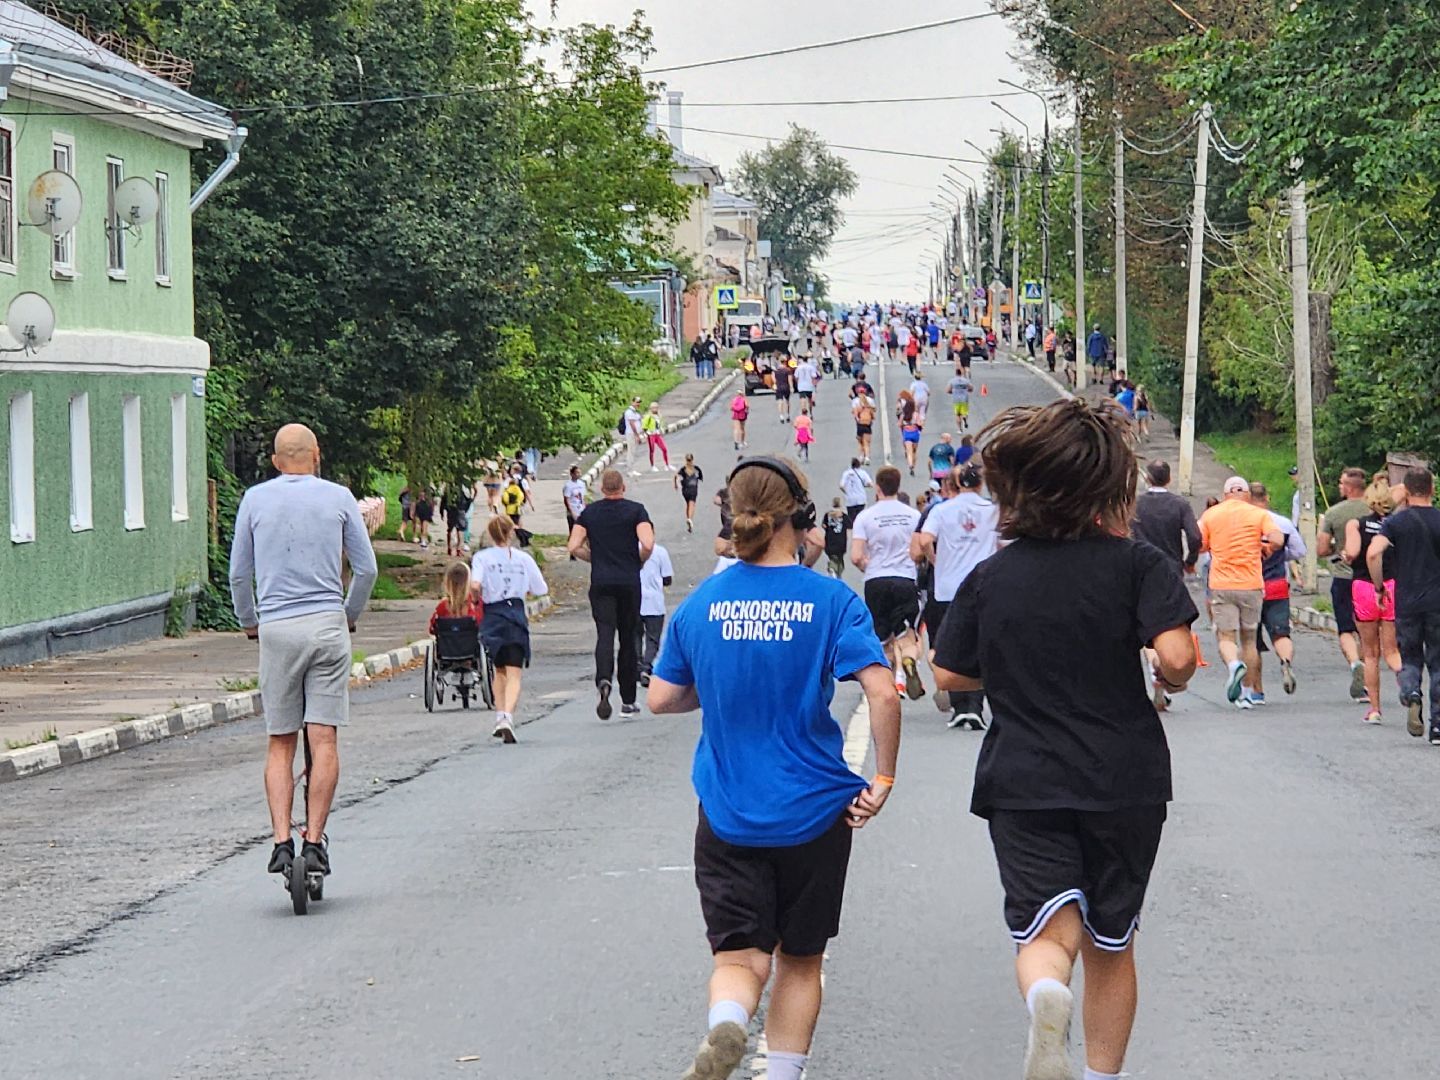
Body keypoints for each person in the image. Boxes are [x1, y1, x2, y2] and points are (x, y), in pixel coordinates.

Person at [931, 399, 1198, 1080]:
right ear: (1110, 486)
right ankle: (1103, 1076)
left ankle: (1047, 993)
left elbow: (951, 669)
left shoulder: (992, 577)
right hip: (1125, 778)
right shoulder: (1137, 564)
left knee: (1047, 935)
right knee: (1114, 942)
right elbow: (1177, 659)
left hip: (1023, 779)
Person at [649, 456, 900, 1080]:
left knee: (739, 960)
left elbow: (661, 698)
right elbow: (883, 692)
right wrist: (884, 777)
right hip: (816, 814)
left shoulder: (700, 604)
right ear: (801, 516)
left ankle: (728, 1023)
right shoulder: (831, 599)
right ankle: (784, 1072)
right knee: (800, 960)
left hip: (729, 810)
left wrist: (721, 682)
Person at [229, 423, 378, 883]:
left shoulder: (254, 500)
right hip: (327, 628)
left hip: (277, 629)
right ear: (316, 454)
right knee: (324, 739)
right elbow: (367, 569)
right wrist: (348, 613)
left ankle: (280, 842)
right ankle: (314, 842)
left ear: (276, 461)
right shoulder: (339, 498)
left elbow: (238, 573)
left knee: (281, 741)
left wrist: (249, 621)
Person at [916, 462, 1000, 730]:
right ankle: (975, 705)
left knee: (947, 646)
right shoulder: (992, 510)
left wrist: (935, 560)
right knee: (981, 645)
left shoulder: (942, 510)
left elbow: (925, 539)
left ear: (960, 483)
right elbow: (1005, 541)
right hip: (983, 586)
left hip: (948, 586)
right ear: (980, 484)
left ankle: (958, 706)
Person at [567, 469, 655, 720]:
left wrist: (594, 558)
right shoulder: (636, 511)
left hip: (601, 582)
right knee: (628, 638)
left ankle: (604, 681)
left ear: (603, 489)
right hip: (628, 582)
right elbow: (648, 543)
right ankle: (628, 700)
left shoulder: (589, 514)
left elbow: (573, 546)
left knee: (604, 634)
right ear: (623, 487)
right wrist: (638, 560)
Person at [1367, 467, 1440, 742]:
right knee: (1438, 662)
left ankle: (1411, 692)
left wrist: (1378, 586)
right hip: (1438, 602)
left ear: (1406, 491)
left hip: (1408, 601)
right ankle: (1437, 727)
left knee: (1410, 657)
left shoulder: (1396, 523)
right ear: (1432, 489)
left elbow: (1374, 553)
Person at [1198, 476, 1284, 708]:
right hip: (1251, 585)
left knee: (1226, 636)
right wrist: (1266, 548)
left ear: (1226, 494)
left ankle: (1234, 666)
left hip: (1222, 584)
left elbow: (1199, 543)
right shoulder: (1258, 514)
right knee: (1249, 640)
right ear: (1246, 495)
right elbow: (1278, 538)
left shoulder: (1211, 514)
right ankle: (1247, 692)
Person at [851, 466, 927, 701]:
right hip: (904, 578)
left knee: (883, 639)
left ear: (877, 487)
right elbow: (920, 549)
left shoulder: (865, 516)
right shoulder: (913, 515)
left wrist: (866, 565)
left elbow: (855, 555)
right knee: (908, 636)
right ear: (898, 484)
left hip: (876, 580)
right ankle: (909, 660)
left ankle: (892, 684)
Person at [472, 515, 548, 744]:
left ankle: (498, 715)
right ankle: (508, 717)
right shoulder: (523, 559)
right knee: (515, 671)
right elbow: (540, 588)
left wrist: (478, 597)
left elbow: (475, 584)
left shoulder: (482, 558)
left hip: (493, 615)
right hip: (515, 613)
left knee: (500, 670)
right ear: (511, 533)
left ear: (491, 534)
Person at [1344, 477, 1402, 725]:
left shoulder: (1356, 524)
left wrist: (1346, 555)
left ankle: (1375, 709)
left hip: (1364, 587)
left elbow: (1354, 553)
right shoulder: (1396, 525)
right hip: (1391, 585)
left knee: (1370, 653)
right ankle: (1408, 688)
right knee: (1392, 650)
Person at [1246, 482, 1305, 706]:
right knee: (1281, 634)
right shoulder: (1283, 523)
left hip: (1250, 585)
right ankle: (1285, 661)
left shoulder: (1245, 523)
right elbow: (1299, 550)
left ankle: (1257, 691)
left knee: (1251, 641)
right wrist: (1282, 556)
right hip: (1277, 584)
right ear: (1267, 497)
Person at [1318, 467, 1372, 701]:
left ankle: (1354, 663)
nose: (1339, 487)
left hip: (1343, 577)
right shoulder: (1375, 511)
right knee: (1367, 630)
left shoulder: (1334, 513)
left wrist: (1333, 550)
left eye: (1341, 483)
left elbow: (1321, 549)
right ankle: (1369, 679)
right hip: (1371, 578)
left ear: (1349, 488)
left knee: (1346, 629)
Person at [638, 539, 674, 687]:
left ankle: (637, 666)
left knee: (634, 637)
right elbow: (667, 579)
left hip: (633, 600)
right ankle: (646, 666)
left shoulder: (625, 549)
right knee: (653, 639)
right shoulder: (660, 551)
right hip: (654, 602)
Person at [429, 560, 483, 635]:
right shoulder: (477, 604)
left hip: (447, 645)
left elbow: (432, 629)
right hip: (472, 645)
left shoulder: (442, 606)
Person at [840, 458, 873, 529]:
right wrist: (864, 485)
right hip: (861, 498)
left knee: (851, 521)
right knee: (860, 519)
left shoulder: (846, 473)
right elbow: (870, 484)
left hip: (850, 500)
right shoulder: (863, 473)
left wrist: (846, 492)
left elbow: (841, 486)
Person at [675, 454, 704, 533]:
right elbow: (700, 477)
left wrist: (676, 485)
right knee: (692, 504)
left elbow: (676, 476)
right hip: (693, 489)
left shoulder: (683, 469)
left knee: (688, 504)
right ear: (692, 459)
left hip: (685, 490)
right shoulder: (696, 469)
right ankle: (690, 519)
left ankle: (688, 519)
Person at [441, 483, 472, 557]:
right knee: (460, 530)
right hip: (460, 510)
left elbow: (443, 501)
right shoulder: (462, 488)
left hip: (451, 511)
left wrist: (441, 512)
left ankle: (449, 548)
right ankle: (459, 549)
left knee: (450, 529)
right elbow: (468, 500)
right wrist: (465, 510)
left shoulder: (448, 489)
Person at [562, 465, 587, 558]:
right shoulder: (568, 486)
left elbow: (583, 498)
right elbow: (566, 499)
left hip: (581, 509)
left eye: (579, 473)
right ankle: (572, 552)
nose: (578, 474)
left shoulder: (581, 484)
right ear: (572, 474)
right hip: (573, 511)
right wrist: (571, 511)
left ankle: (580, 547)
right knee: (573, 531)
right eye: (576, 473)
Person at [822, 497, 848, 577]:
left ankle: (832, 570)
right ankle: (836, 572)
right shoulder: (843, 516)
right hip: (841, 542)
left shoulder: (827, 515)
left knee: (832, 557)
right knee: (840, 560)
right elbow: (849, 526)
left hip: (830, 541)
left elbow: (824, 525)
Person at [643, 401, 672, 471]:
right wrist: (647, 433)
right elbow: (644, 426)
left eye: (656, 408)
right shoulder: (648, 416)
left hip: (657, 435)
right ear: (651, 409)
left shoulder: (658, 416)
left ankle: (667, 464)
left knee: (664, 449)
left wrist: (661, 429)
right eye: (653, 408)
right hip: (651, 435)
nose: (655, 409)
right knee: (652, 450)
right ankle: (652, 466)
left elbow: (659, 424)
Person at [852, 386, 878, 464]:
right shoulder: (870, 401)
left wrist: (858, 419)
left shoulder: (855, 401)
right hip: (867, 425)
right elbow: (874, 414)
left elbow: (855, 414)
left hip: (860, 424)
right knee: (867, 442)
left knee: (860, 442)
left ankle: (861, 457)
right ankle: (867, 457)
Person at [622, 396, 645, 477]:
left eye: (639, 402)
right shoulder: (629, 412)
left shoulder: (635, 412)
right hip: (631, 434)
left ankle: (632, 469)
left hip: (634, 433)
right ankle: (629, 470)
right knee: (631, 452)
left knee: (633, 451)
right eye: (637, 402)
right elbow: (632, 424)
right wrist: (637, 435)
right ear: (632, 402)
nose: (638, 404)